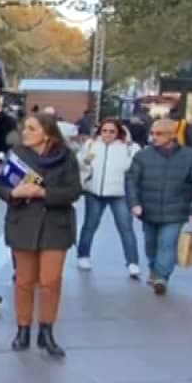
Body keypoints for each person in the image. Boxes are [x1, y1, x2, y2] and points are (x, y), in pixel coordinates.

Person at [0, 112, 82, 358]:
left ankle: (46, 330)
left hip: (56, 226)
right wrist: (14, 193)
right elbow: (1, 186)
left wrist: (44, 193)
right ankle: (22, 328)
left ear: (47, 133)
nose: (25, 133)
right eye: (25, 128)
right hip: (23, 223)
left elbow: (74, 191)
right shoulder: (16, 155)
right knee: (24, 281)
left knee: (50, 280)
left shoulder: (66, 157)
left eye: (31, 129)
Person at [127, 119, 192, 296]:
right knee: (151, 244)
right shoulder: (143, 156)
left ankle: (161, 277)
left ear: (173, 135)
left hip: (176, 210)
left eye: (159, 134)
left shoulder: (191, 156)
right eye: (153, 133)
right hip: (148, 209)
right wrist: (134, 203)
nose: (154, 137)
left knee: (168, 243)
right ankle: (154, 268)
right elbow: (131, 180)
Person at [75, 118, 141, 277]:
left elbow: (136, 170)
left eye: (112, 131)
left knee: (126, 228)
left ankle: (132, 262)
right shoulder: (92, 145)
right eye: (104, 131)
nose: (108, 134)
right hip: (94, 192)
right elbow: (81, 163)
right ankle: (83, 255)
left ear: (118, 132)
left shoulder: (129, 148)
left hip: (120, 193)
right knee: (89, 225)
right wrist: (85, 164)